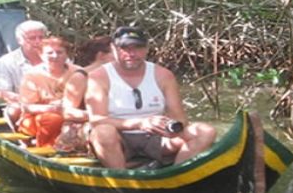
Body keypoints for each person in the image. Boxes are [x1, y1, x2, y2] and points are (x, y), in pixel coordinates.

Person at [86, 26, 216, 169]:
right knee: (103, 132)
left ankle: (176, 175)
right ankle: (122, 179)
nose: (131, 53)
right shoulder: (98, 77)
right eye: (124, 48)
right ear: (114, 49)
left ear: (147, 49)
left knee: (205, 131)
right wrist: (139, 123)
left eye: (137, 47)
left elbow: (180, 118)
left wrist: (171, 128)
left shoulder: (163, 75)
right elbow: (97, 120)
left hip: (156, 138)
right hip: (118, 138)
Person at [53, 36, 113, 153]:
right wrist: (99, 117)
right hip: (81, 127)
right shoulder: (81, 76)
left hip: (113, 123)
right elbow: (67, 112)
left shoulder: (120, 76)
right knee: (106, 132)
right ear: (101, 55)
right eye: (116, 52)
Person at [17, 37, 80, 147]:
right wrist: (53, 108)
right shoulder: (32, 75)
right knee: (53, 119)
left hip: (71, 114)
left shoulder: (78, 72)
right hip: (35, 117)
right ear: (41, 55)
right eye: (50, 53)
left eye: (60, 52)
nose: (55, 56)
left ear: (67, 55)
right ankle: (45, 148)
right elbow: (26, 107)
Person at [0, 20, 48, 105]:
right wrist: (30, 102)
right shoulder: (5, 62)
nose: (38, 41)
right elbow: (2, 92)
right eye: (32, 38)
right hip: (21, 106)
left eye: (41, 37)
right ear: (19, 40)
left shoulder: (58, 57)